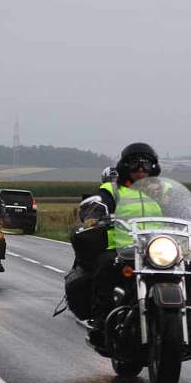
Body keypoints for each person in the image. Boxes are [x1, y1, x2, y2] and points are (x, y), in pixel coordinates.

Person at [79, 143, 168, 344]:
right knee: (105, 266)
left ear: (153, 167)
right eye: (135, 164)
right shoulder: (113, 190)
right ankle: (101, 324)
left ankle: (190, 325)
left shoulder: (163, 190)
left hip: (157, 250)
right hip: (122, 249)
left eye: (145, 165)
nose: (140, 170)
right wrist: (94, 215)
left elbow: (181, 209)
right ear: (124, 166)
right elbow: (97, 204)